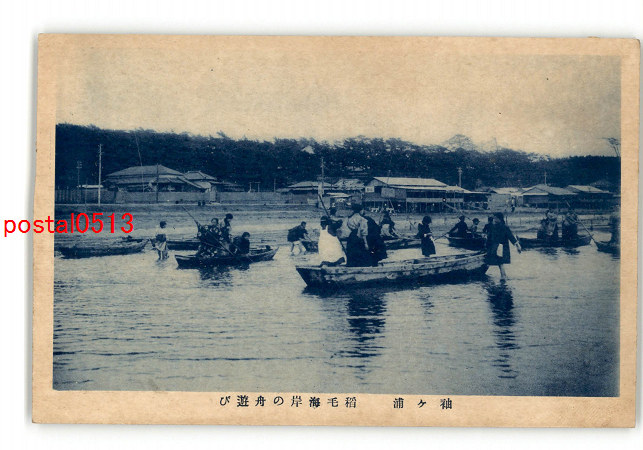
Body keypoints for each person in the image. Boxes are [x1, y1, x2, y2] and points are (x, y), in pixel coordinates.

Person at [485, 212, 521, 281]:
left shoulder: (504, 227)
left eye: (495, 218)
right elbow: (490, 237)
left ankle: (503, 276)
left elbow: (511, 237)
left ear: (500, 219)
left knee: (500, 262)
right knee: (498, 262)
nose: (494, 220)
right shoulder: (493, 227)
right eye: (494, 218)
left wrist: (517, 245)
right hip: (495, 247)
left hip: (500, 247)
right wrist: (486, 245)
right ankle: (503, 275)